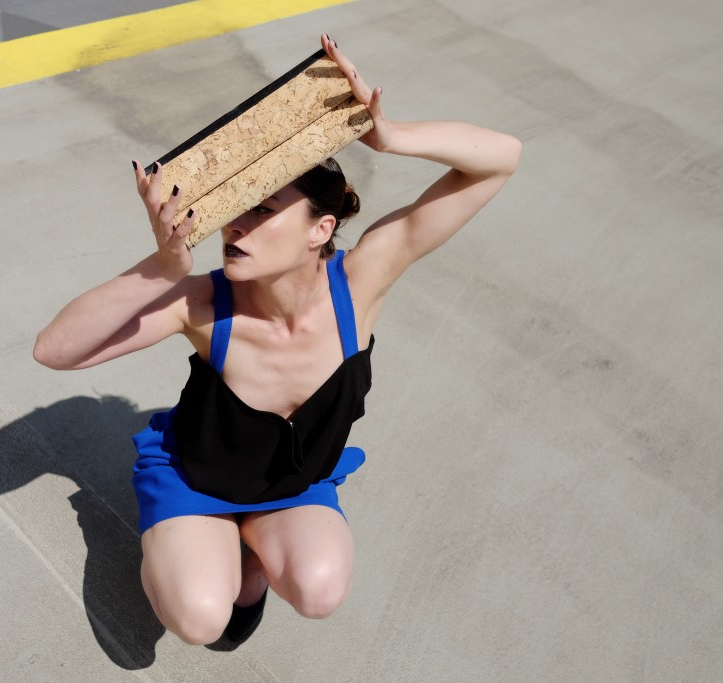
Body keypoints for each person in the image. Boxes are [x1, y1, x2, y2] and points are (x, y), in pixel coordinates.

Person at [33, 34, 522, 646]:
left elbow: (501, 156)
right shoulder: (202, 305)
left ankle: (252, 555)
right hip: (196, 481)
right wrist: (161, 268)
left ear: (321, 229)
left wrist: (390, 135)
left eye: (263, 209)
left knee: (320, 593)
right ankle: (190, 544)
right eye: (235, 208)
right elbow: (55, 351)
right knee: (200, 621)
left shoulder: (361, 283)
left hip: (293, 486)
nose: (235, 225)